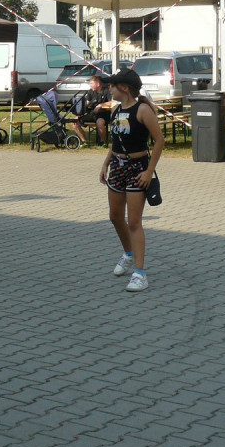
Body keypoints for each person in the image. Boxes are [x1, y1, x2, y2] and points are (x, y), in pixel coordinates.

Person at [100, 68, 164, 293]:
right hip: (117, 167)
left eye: (112, 85)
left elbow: (159, 141)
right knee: (115, 216)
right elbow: (116, 141)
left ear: (124, 88)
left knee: (134, 222)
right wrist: (106, 162)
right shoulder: (116, 110)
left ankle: (140, 273)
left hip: (138, 169)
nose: (109, 89)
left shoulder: (143, 109)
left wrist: (149, 171)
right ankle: (127, 253)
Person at [75, 73, 113, 146]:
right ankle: (84, 141)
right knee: (74, 121)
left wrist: (100, 105)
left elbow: (112, 102)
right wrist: (79, 111)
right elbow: (87, 103)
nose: (90, 85)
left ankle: (102, 142)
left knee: (100, 122)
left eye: (91, 83)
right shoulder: (90, 91)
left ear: (98, 83)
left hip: (103, 114)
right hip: (92, 114)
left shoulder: (107, 91)